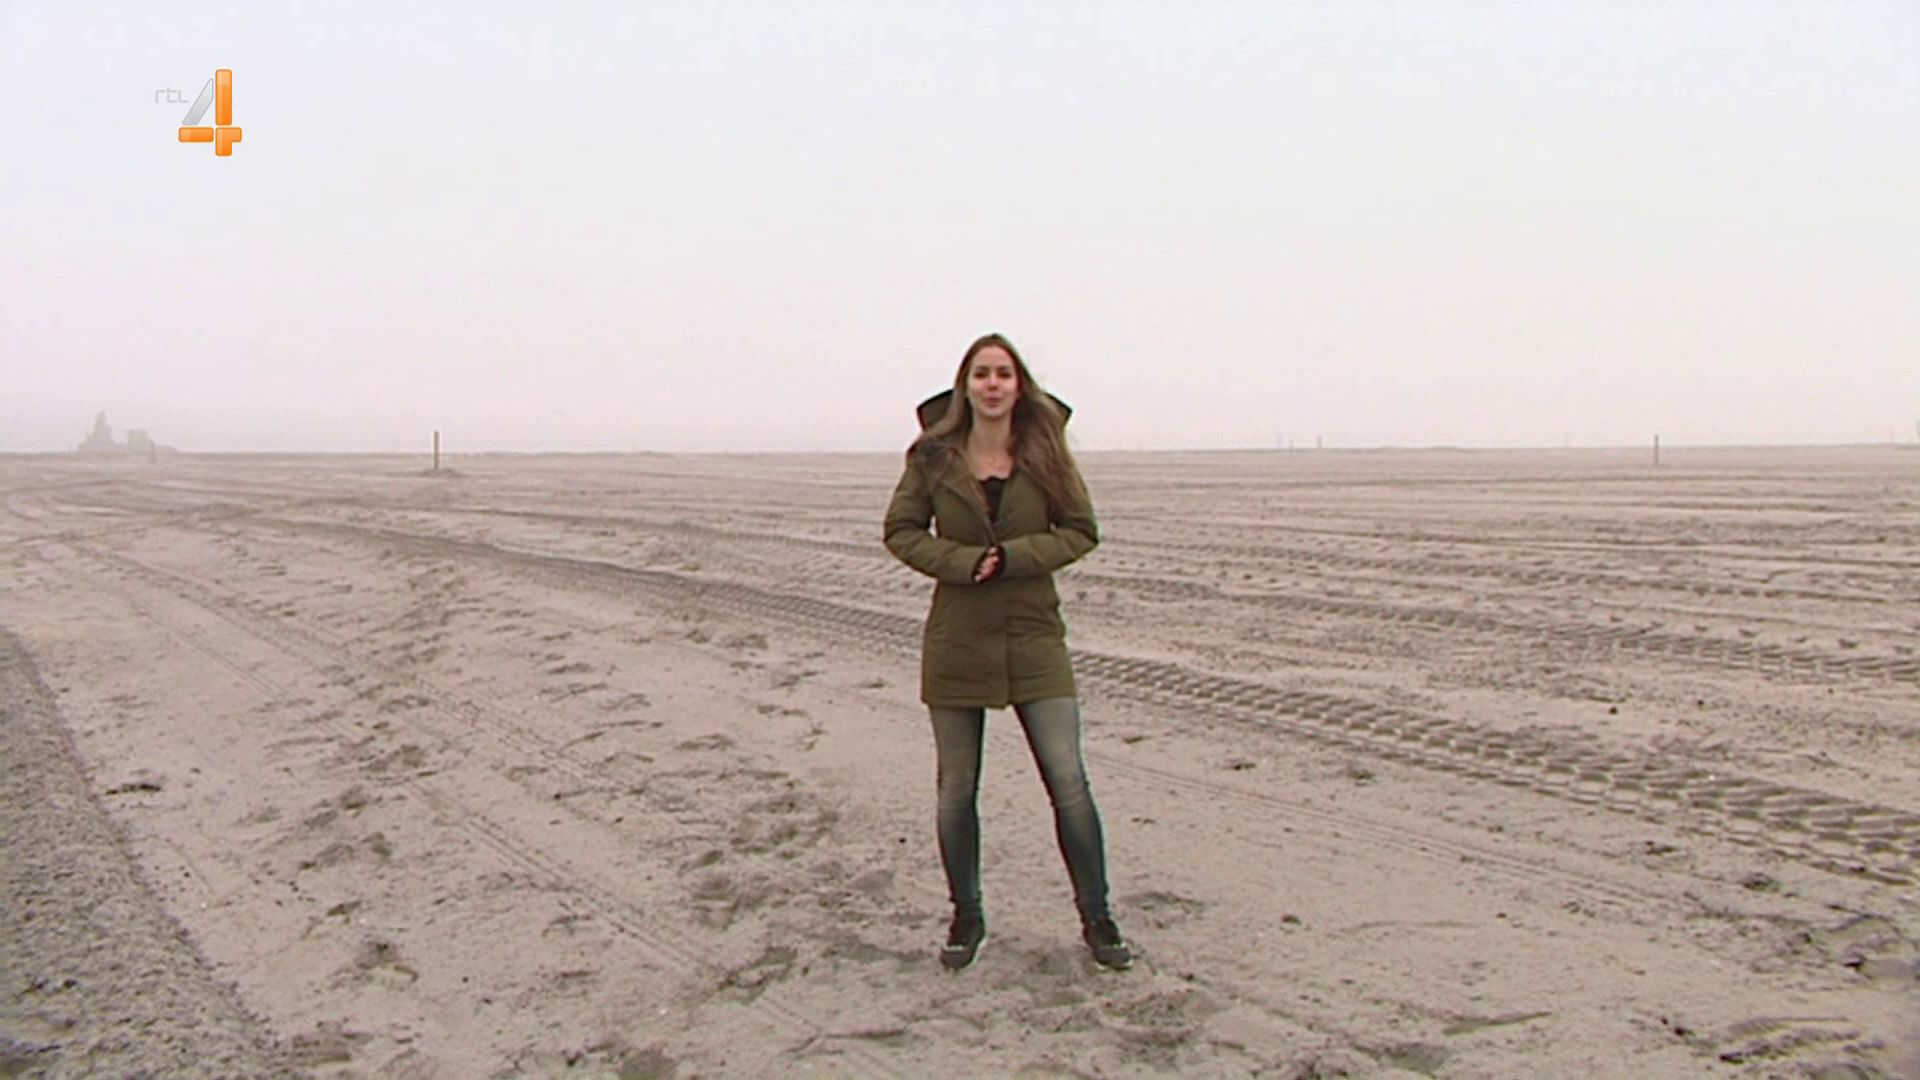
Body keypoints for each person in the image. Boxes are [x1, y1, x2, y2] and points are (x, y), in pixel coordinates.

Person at [883, 332, 1132, 972]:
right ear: (965, 386)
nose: (992, 385)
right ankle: (966, 916)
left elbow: (1081, 530)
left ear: (1019, 386)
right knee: (955, 788)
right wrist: (963, 563)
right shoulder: (933, 457)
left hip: (1033, 634)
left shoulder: (1045, 451)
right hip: (958, 638)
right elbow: (901, 531)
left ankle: (1098, 917)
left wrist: (1017, 557)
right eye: (981, 374)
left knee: (1068, 780)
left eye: (1003, 374)